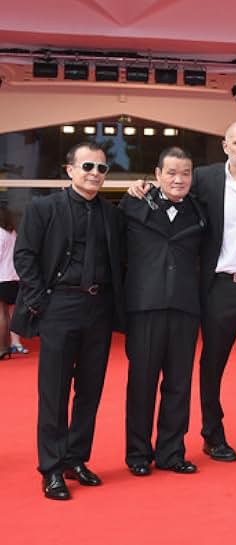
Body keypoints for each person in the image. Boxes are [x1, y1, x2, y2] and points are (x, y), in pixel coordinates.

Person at [130, 121, 236, 466]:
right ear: (225, 145)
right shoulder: (205, 178)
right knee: (210, 368)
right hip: (218, 288)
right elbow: (172, 190)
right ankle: (213, 437)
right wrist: (141, 187)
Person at [12, 141, 126, 500]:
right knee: (54, 391)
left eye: (102, 168)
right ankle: (51, 468)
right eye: (88, 166)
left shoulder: (112, 214)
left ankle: (76, 458)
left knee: (90, 390)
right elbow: (25, 256)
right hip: (59, 306)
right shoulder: (44, 208)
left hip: (99, 307)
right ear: (70, 170)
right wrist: (40, 303)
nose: (95, 174)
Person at [120, 147, 206, 476]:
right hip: (145, 307)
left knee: (179, 384)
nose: (178, 179)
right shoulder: (133, 204)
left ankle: (171, 452)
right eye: (171, 172)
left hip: (185, 307)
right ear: (157, 175)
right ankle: (138, 454)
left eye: (185, 173)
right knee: (141, 383)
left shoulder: (200, 211)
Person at [0, 206, 19, 359]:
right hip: (13, 278)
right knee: (6, 314)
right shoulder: (12, 233)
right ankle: (6, 346)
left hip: (2, 277)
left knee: (1, 314)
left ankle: (2, 348)